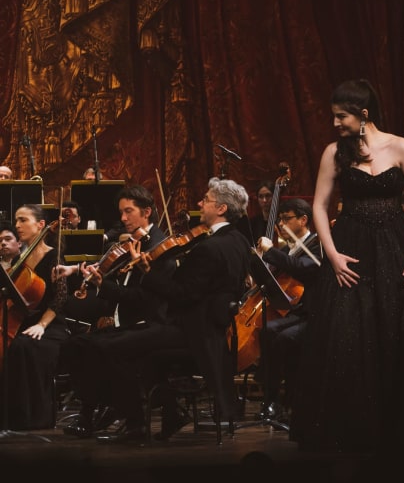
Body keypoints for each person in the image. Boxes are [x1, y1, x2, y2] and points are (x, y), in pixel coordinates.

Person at [289, 78, 404, 454]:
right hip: (352, 245)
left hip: (396, 243)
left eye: (340, 116)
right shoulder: (334, 153)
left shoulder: (401, 146)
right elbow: (320, 206)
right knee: (349, 333)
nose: (334, 123)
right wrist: (332, 253)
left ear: (363, 114)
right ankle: (353, 430)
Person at [102, 177, 251, 441]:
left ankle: (135, 424)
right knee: (141, 347)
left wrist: (147, 271)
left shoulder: (208, 248)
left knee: (116, 347)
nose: (199, 203)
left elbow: (183, 295)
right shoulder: (238, 240)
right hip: (213, 329)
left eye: (205, 200)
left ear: (221, 209)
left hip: (195, 331)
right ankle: (171, 413)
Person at [56, 185, 171, 438]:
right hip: (125, 319)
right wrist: (77, 271)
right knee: (73, 345)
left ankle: (131, 419)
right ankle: (96, 411)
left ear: (147, 212)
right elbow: (106, 264)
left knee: (99, 347)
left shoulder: (160, 248)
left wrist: (102, 285)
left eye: (128, 212)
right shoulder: (135, 242)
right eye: (121, 212)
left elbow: (143, 300)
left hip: (146, 323)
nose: (123, 219)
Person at [252, 197, 320, 423]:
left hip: (313, 314)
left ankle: (280, 397)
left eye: (286, 219)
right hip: (292, 310)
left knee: (279, 337)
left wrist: (272, 253)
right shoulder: (285, 248)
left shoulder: (316, 245)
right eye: (279, 219)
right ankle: (272, 398)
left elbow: (302, 269)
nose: (280, 224)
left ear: (303, 220)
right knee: (266, 330)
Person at [2, 204, 69, 430]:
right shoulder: (20, 259)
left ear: (41, 225)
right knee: (14, 343)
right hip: (23, 322)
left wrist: (42, 324)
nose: (17, 225)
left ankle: (29, 418)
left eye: (23, 220)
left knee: (22, 346)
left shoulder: (54, 256)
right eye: (16, 220)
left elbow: (60, 299)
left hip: (50, 326)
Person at [237, 179, 275, 246]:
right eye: (260, 196)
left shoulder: (282, 222)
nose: (264, 200)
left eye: (268, 196)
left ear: (274, 197)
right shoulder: (252, 223)